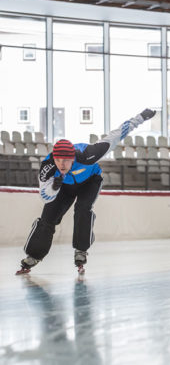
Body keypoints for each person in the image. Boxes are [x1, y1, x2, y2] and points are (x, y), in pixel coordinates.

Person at [16, 108, 156, 275]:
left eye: (66, 161)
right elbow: (44, 196)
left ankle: (81, 250)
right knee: (48, 218)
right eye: (58, 160)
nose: (62, 165)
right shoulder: (47, 167)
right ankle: (33, 255)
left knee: (83, 209)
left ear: (73, 158)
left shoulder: (90, 154)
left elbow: (118, 134)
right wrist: (54, 186)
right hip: (63, 187)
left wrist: (140, 117)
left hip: (90, 182)